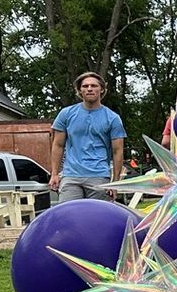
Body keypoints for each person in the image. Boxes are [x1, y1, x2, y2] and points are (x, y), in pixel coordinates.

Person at [50, 72, 127, 201]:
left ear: (101, 89)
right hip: (71, 176)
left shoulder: (112, 118)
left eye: (93, 86)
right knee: (68, 216)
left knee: (98, 219)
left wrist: (115, 182)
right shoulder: (66, 114)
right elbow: (58, 145)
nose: (89, 89)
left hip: (99, 176)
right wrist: (54, 174)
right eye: (85, 86)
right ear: (80, 90)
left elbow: (117, 151)